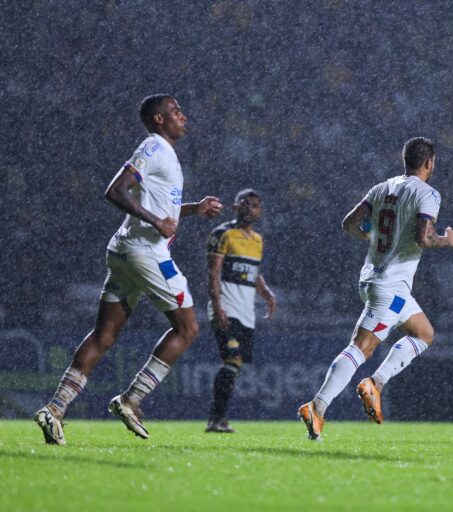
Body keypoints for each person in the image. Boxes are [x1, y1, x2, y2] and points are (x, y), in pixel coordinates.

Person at [34, 94, 223, 444]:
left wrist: (195, 209)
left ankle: (54, 409)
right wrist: (155, 222)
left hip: (124, 251)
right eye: (176, 112)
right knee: (188, 328)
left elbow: (162, 207)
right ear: (158, 119)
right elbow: (115, 191)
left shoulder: (164, 152)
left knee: (103, 335)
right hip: (146, 252)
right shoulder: (153, 147)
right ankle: (131, 400)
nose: (184, 117)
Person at [297, 137, 453, 440]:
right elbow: (425, 238)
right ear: (429, 163)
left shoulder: (381, 188)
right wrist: (447, 240)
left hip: (375, 277)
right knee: (362, 347)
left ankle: (376, 383)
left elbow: (348, 224)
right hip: (391, 287)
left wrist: (373, 237)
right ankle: (317, 407)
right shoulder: (428, 193)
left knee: (423, 333)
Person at [204, 189, 277, 433]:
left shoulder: (257, 240)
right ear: (235, 207)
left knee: (235, 366)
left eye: (255, 205)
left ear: (260, 211)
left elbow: (252, 272)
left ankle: (219, 419)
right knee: (232, 359)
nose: (251, 209)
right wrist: (217, 306)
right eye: (246, 204)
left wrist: (266, 293)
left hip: (247, 312)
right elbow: (214, 272)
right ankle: (215, 419)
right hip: (227, 307)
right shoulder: (222, 234)